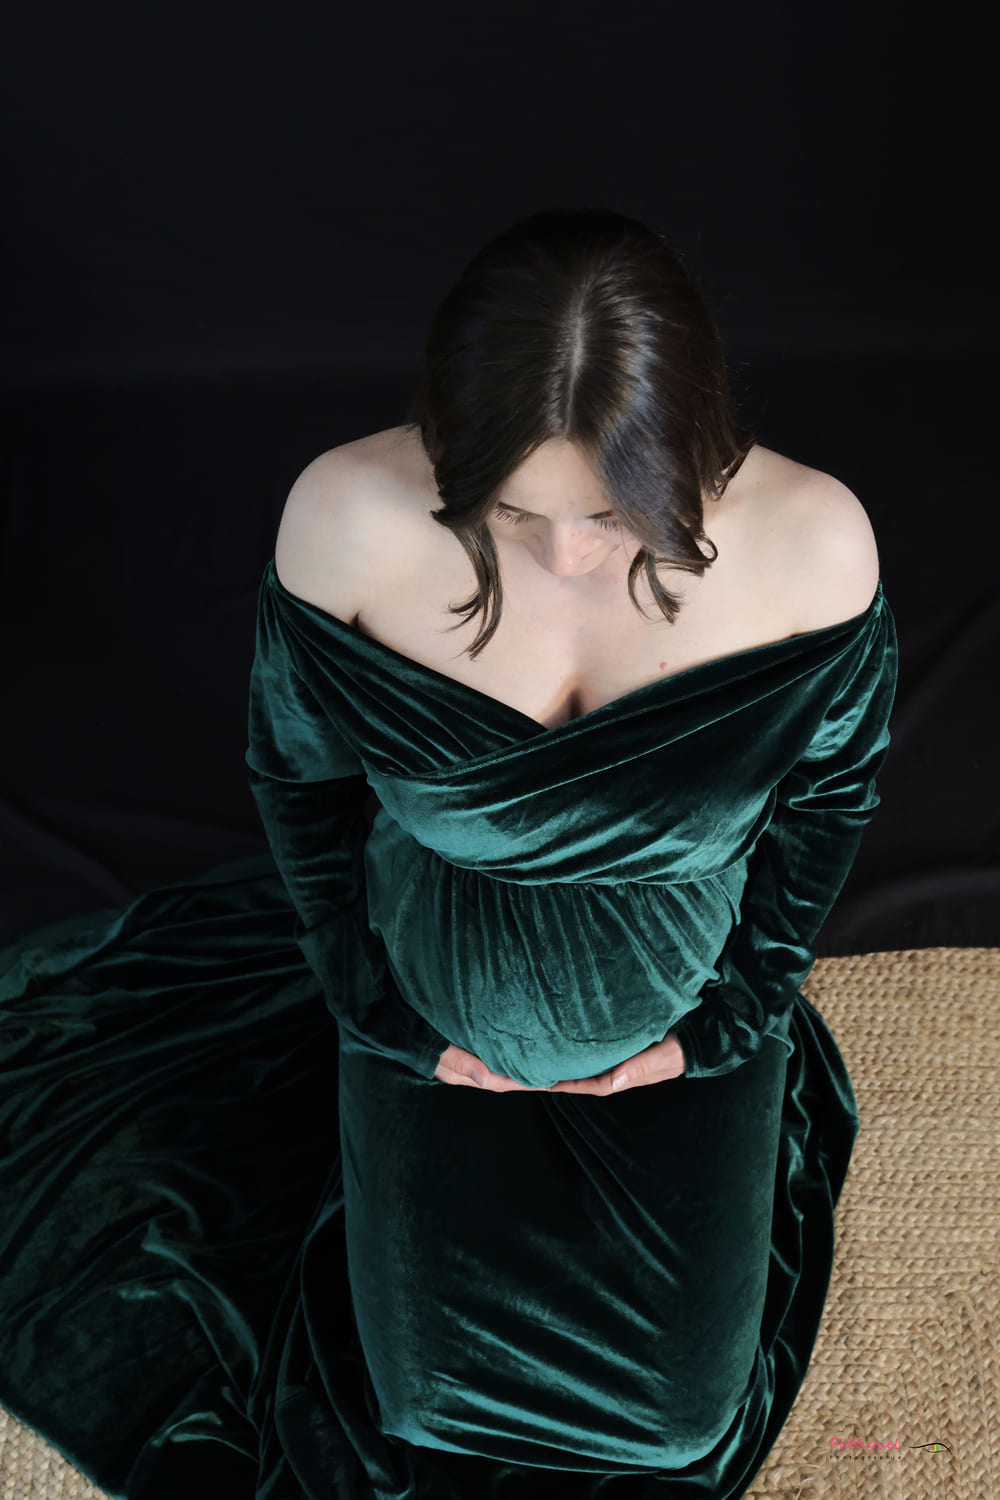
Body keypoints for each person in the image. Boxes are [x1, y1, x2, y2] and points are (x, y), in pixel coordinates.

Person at [0, 206, 898, 1500]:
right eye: (513, 509)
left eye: (611, 512)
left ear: (691, 447)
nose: (566, 553)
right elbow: (297, 782)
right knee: (422, 1406)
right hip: (423, 1000)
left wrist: (732, 1020)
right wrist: (374, 1008)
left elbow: (833, 800)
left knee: (673, 1429)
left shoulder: (814, 543)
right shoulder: (350, 516)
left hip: (688, 1008)